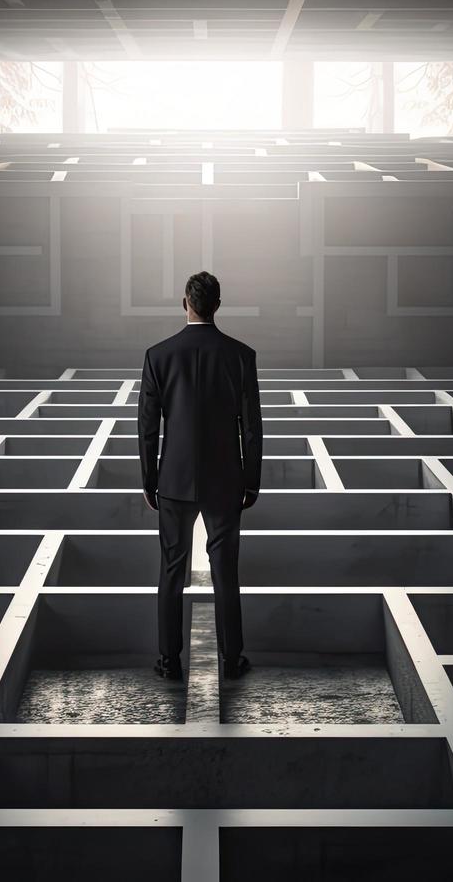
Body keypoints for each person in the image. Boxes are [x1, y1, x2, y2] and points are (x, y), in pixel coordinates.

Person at [137, 271, 262, 681]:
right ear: (218, 305)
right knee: (226, 571)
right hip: (226, 479)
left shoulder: (158, 355)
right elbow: (252, 426)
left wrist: (149, 479)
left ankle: (169, 661)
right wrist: (251, 478)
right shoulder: (240, 356)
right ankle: (231, 660)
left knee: (171, 570)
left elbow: (147, 426)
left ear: (184, 303)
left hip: (173, 480)